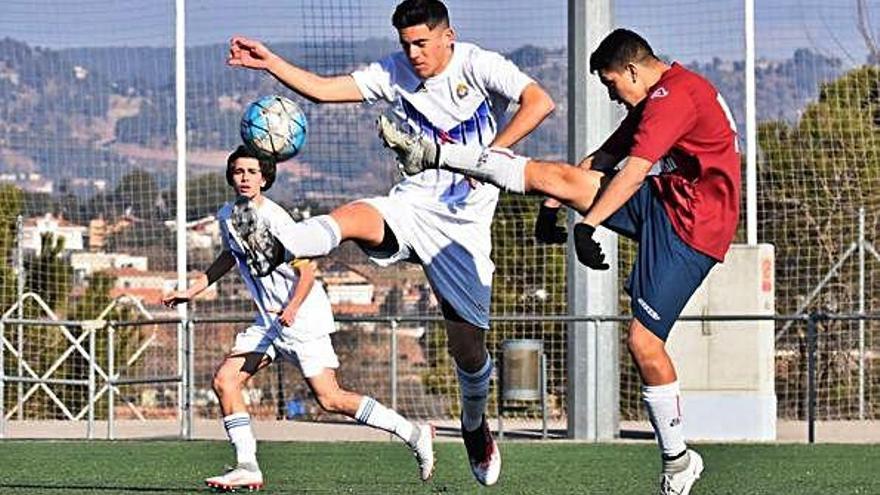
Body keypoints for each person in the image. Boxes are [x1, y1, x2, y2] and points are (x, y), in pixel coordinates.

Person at [381, 28, 741, 495]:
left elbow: (632, 172)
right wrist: (555, 200)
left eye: (613, 85)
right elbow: (606, 157)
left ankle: (678, 462)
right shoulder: (659, 94)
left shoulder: (674, 97)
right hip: (669, 201)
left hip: (695, 230)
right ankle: (435, 154)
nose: (613, 95)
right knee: (554, 175)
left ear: (633, 70)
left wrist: (588, 224)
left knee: (643, 344)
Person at [227, 0, 554, 486]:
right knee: (362, 214)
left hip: (463, 229)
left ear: (448, 35)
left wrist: (490, 158)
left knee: (469, 351)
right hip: (413, 204)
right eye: (406, 44)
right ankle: (285, 241)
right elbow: (323, 91)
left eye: (422, 42)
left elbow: (540, 102)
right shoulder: (394, 71)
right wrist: (271, 62)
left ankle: (472, 423)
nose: (414, 53)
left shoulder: (479, 65)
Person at [162, 146, 434, 492]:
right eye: (238, 172)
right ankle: (247, 465)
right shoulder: (228, 214)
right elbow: (228, 257)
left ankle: (413, 433)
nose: (244, 178)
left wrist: (291, 308)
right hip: (268, 322)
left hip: (301, 319)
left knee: (330, 399)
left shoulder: (277, 219)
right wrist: (193, 289)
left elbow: (308, 269)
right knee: (225, 381)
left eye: (251, 172)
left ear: (265, 178)